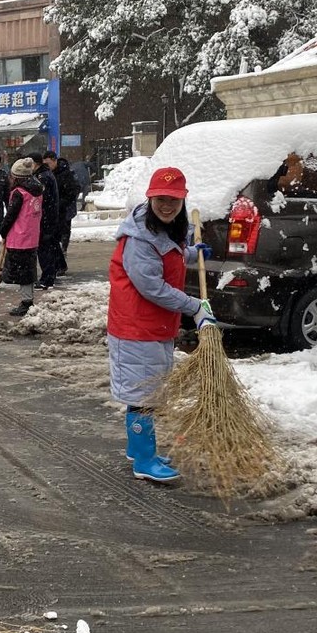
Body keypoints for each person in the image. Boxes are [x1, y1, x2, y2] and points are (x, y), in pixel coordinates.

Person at [107, 166, 215, 483]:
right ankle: (143, 461)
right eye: (160, 199)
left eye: (173, 200)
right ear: (150, 198)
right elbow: (151, 287)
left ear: (183, 200)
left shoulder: (162, 230)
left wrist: (192, 254)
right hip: (137, 329)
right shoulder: (140, 239)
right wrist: (195, 307)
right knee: (144, 398)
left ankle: (140, 449)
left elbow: (168, 256)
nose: (167, 206)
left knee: (147, 393)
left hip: (151, 327)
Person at [0, 158, 44, 316]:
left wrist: (3, 230)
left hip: (19, 237)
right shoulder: (37, 190)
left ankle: (26, 302)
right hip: (32, 235)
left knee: (22, 272)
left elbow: (11, 215)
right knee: (28, 270)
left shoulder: (19, 193)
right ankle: (28, 298)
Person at [34, 151, 65, 289]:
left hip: (46, 218)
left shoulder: (43, 177)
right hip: (48, 218)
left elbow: (41, 197)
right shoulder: (43, 175)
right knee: (49, 248)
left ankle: (47, 279)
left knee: (45, 249)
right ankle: (49, 275)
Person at [53, 156, 80, 258]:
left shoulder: (68, 174)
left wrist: (65, 200)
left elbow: (75, 189)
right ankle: (61, 247)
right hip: (60, 206)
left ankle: (63, 247)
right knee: (62, 229)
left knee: (65, 228)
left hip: (66, 206)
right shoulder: (53, 173)